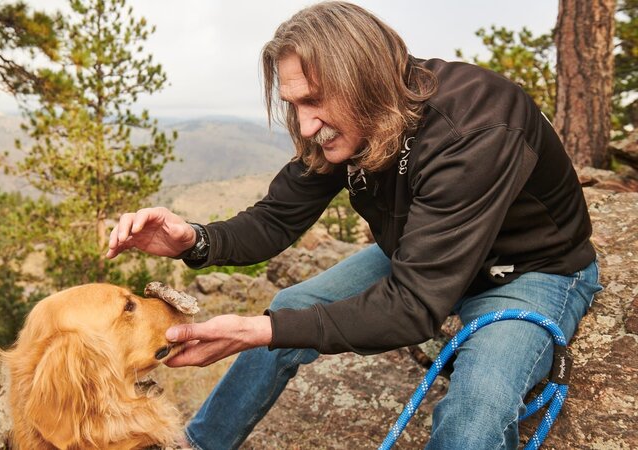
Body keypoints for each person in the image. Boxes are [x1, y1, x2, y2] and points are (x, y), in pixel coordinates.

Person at [106, 2, 602, 449]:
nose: (303, 126)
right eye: (295, 104)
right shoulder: (353, 120)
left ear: (365, 79)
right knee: (290, 306)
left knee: (479, 409)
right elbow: (277, 217)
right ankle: (198, 445)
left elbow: (411, 308)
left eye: (314, 101)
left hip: (529, 272)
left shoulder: (478, 126)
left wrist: (260, 330)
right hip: (420, 253)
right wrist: (193, 238)